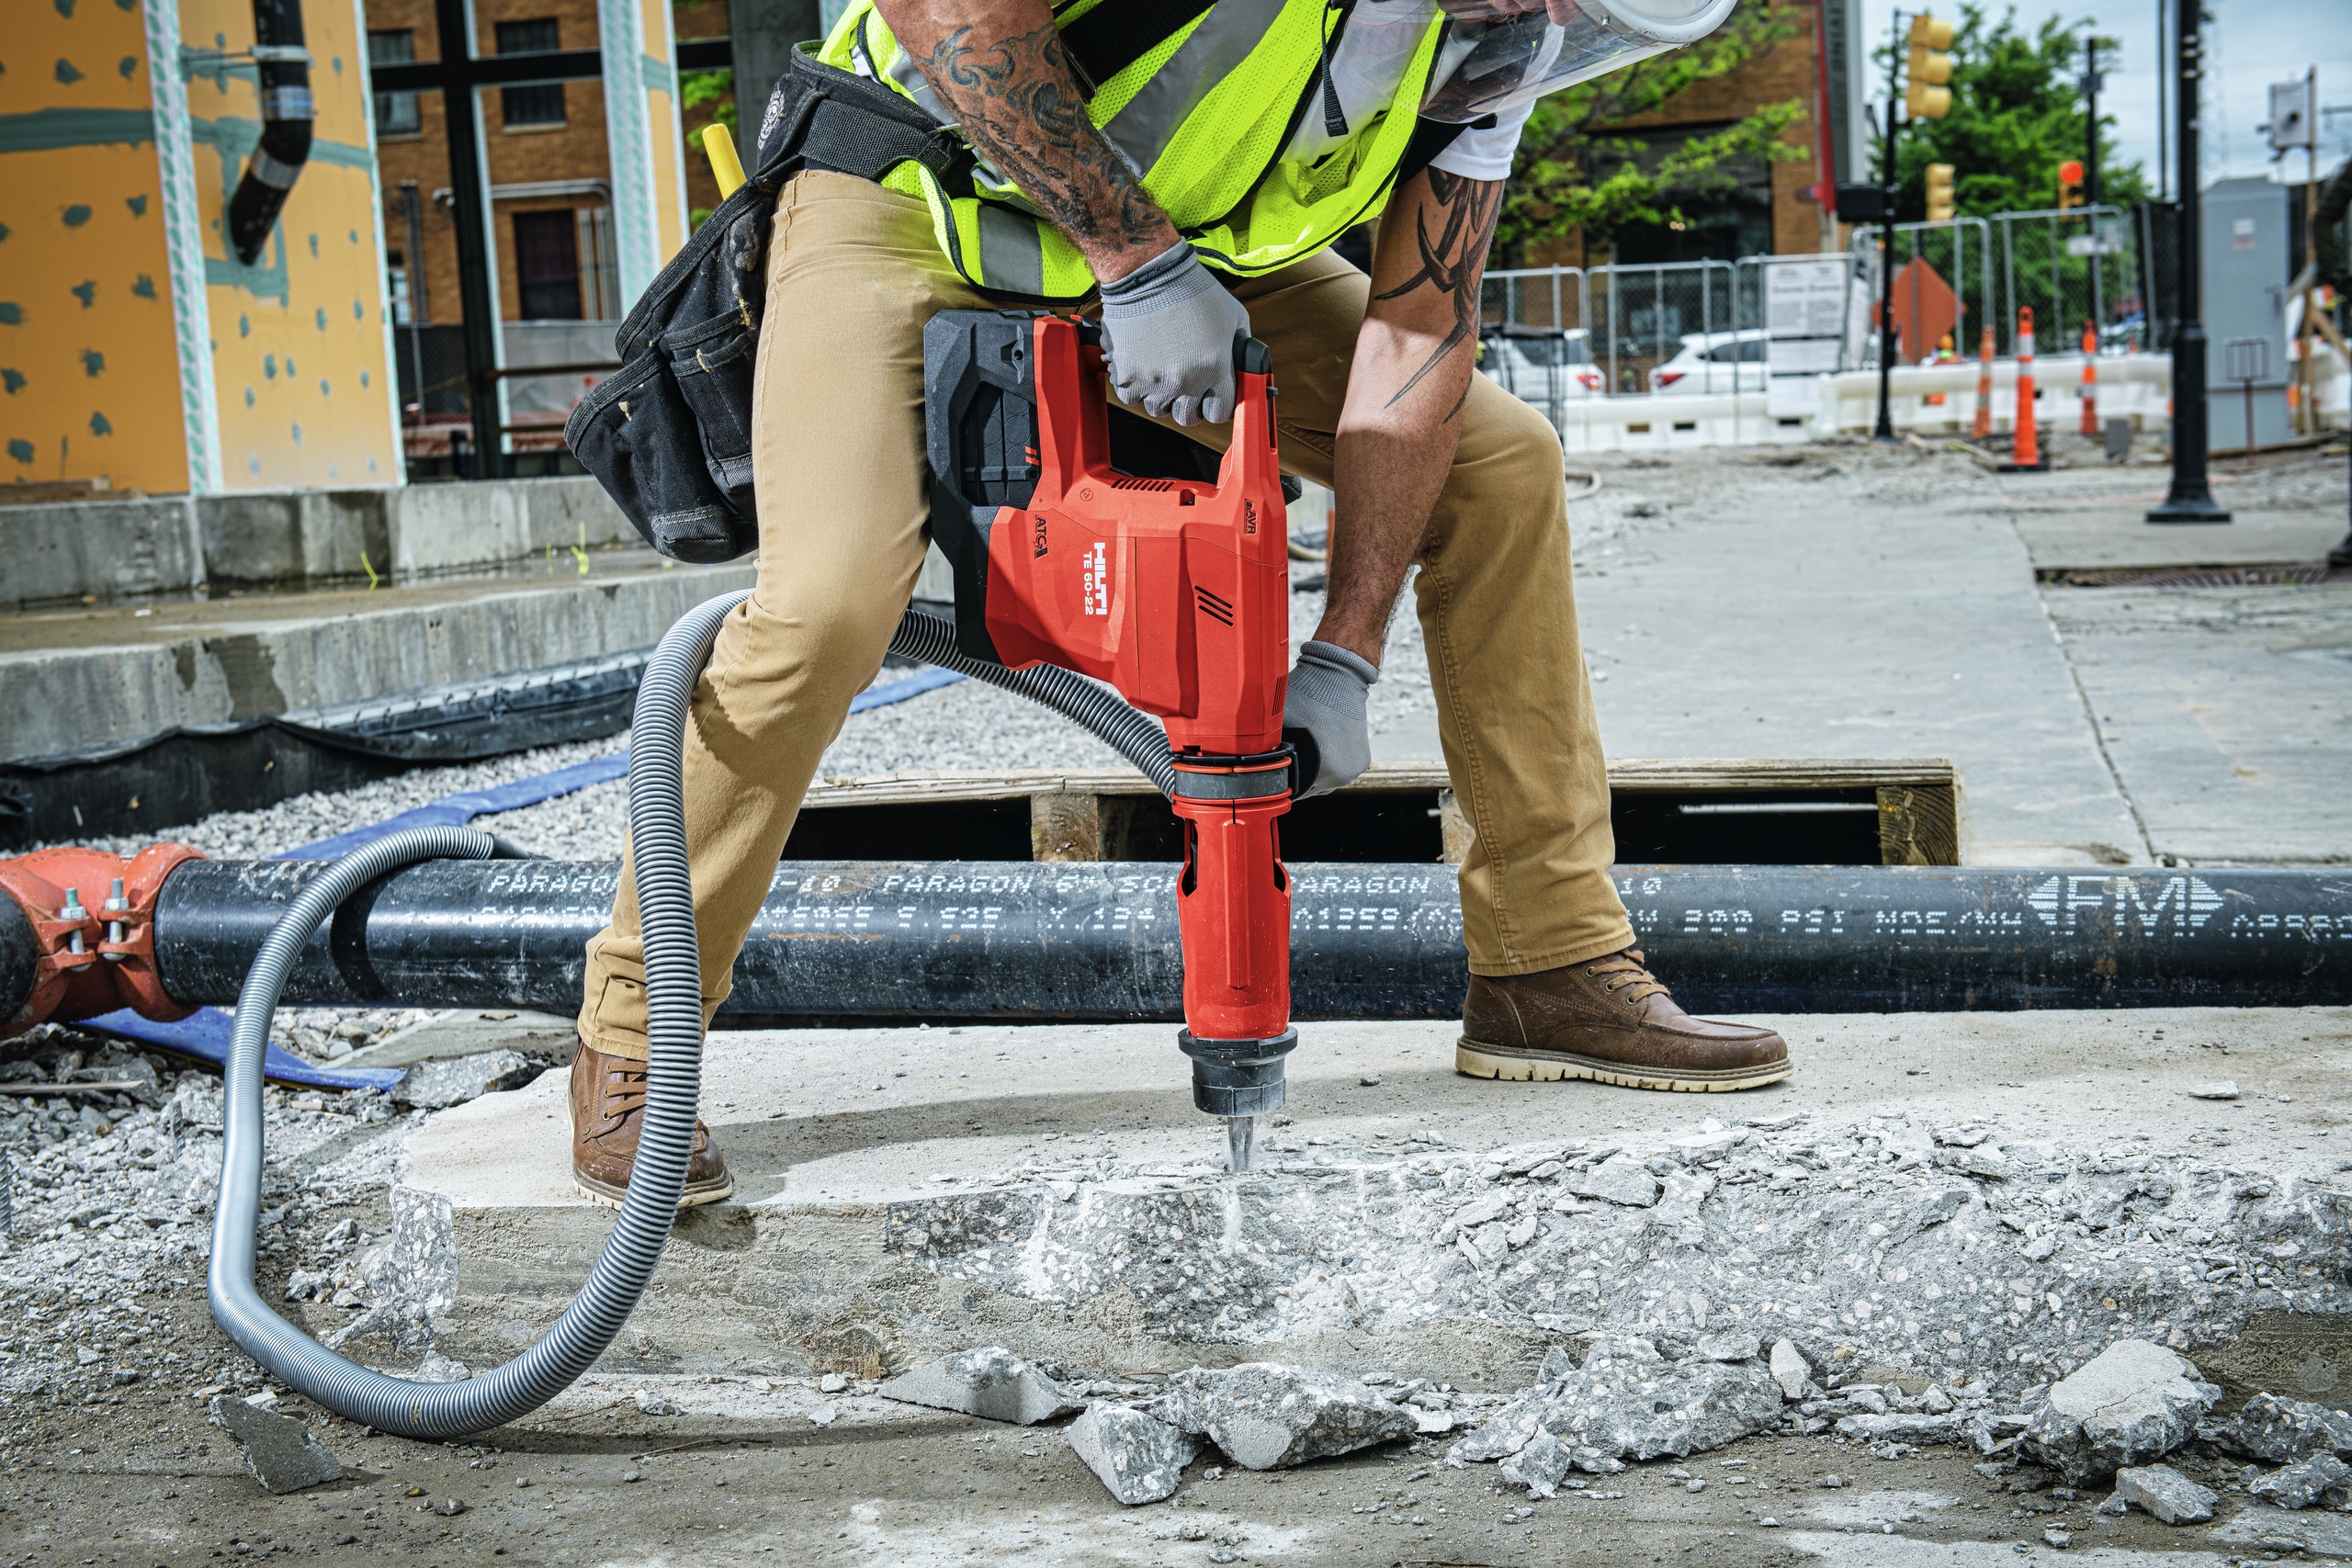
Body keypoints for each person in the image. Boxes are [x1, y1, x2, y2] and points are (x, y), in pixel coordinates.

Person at [566, 0, 1791, 1207]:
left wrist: (1345, 654)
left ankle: (1551, 963)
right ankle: (633, 1035)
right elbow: (947, 12)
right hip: (916, 198)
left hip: (1173, 252)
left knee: (1502, 464)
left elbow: (1419, 335)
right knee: (831, 604)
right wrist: (1138, 268)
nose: (1531, 18)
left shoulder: (1488, 54)